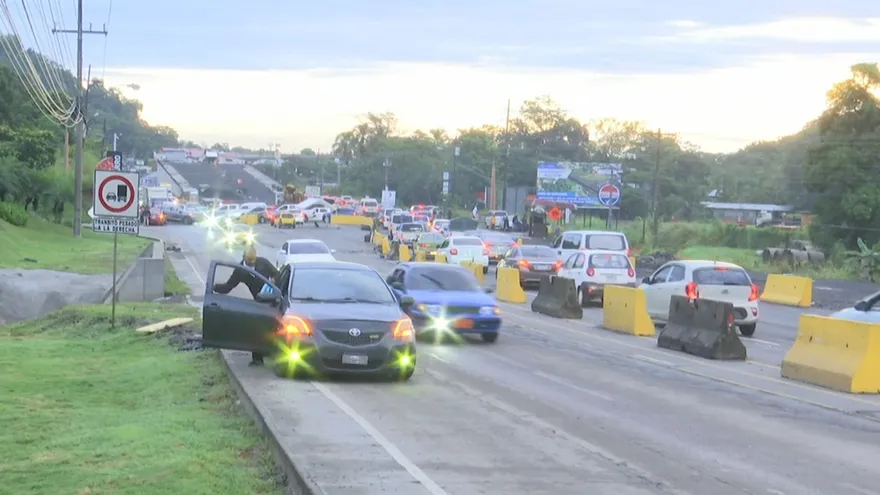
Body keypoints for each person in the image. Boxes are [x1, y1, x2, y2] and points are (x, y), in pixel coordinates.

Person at [213, 246, 279, 366]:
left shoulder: (263, 262)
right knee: (257, 328)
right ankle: (257, 359)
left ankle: (271, 351)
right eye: (249, 261)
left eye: (254, 260)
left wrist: (274, 279)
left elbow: (277, 274)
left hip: (273, 298)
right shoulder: (240, 270)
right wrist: (214, 288)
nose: (252, 263)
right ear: (244, 258)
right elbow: (228, 286)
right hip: (259, 302)